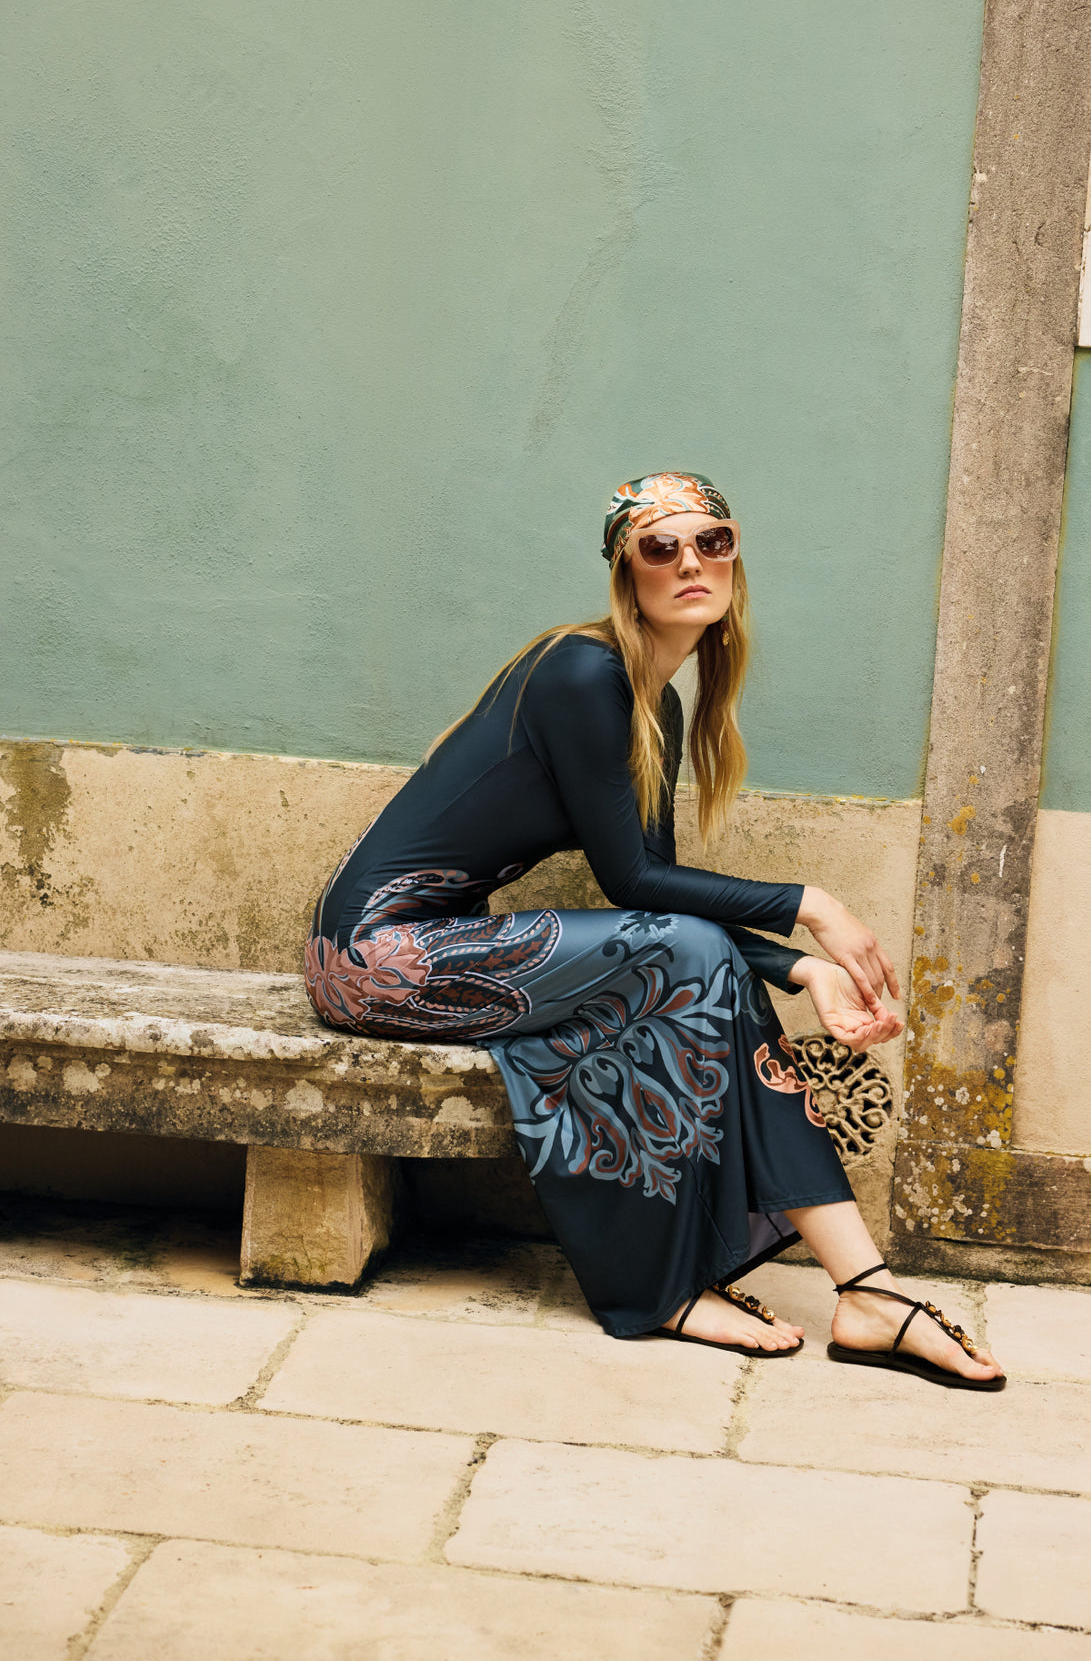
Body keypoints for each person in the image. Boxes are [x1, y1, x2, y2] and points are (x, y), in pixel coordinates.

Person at [305, 472, 1004, 1389]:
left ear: (735, 557)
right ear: (624, 573)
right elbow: (635, 885)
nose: (689, 563)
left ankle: (863, 1291)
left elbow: (658, 909)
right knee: (686, 957)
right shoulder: (580, 669)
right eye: (658, 547)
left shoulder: (651, 701)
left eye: (712, 541)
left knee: (689, 959)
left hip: (445, 951)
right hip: (374, 960)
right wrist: (812, 905)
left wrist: (798, 972)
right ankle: (717, 1288)